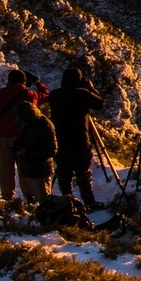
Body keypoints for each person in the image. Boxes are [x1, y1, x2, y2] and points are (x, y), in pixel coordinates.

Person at [0, 69, 46, 204]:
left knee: (5, 167)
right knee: (24, 166)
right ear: (24, 81)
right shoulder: (30, 94)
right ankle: (28, 196)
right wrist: (38, 82)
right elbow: (46, 95)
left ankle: (7, 195)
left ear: (9, 80)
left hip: (3, 136)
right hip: (23, 137)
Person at [48, 63, 104, 209]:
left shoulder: (54, 95)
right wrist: (89, 88)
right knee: (83, 172)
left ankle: (67, 201)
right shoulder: (82, 94)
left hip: (60, 139)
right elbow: (100, 103)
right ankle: (89, 202)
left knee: (64, 171)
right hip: (80, 138)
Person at [11, 90, 58, 205]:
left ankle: (48, 221)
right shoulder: (29, 124)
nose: (16, 121)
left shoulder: (44, 126)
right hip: (29, 169)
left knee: (44, 201)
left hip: (39, 172)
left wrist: (27, 153)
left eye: (18, 118)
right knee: (34, 200)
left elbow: (51, 151)